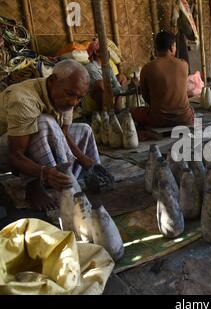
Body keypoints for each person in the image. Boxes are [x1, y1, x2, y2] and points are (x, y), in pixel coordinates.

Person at [0, 60, 104, 212]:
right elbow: (15, 156)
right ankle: (36, 187)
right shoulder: (23, 99)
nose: (74, 102)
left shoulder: (67, 94)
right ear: (52, 81)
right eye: (70, 94)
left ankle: (82, 176)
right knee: (43, 122)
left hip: (25, 144)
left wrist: (83, 158)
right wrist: (45, 173)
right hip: (8, 151)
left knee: (84, 129)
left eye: (79, 97)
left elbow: (63, 133)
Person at [130, 31, 195, 130]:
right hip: (185, 118)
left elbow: (145, 97)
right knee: (190, 109)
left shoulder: (147, 68)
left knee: (132, 111)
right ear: (172, 47)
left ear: (156, 48)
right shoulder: (183, 65)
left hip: (159, 120)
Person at [84, 39, 133, 113]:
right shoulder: (90, 67)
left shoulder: (107, 66)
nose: (108, 52)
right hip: (95, 96)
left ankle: (117, 109)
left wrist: (123, 89)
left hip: (109, 89)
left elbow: (115, 83)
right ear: (96, 52)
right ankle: (104, 113)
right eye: (105, 50)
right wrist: (126, 89)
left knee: (121, 77)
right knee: (100, 83)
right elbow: (103, 87)